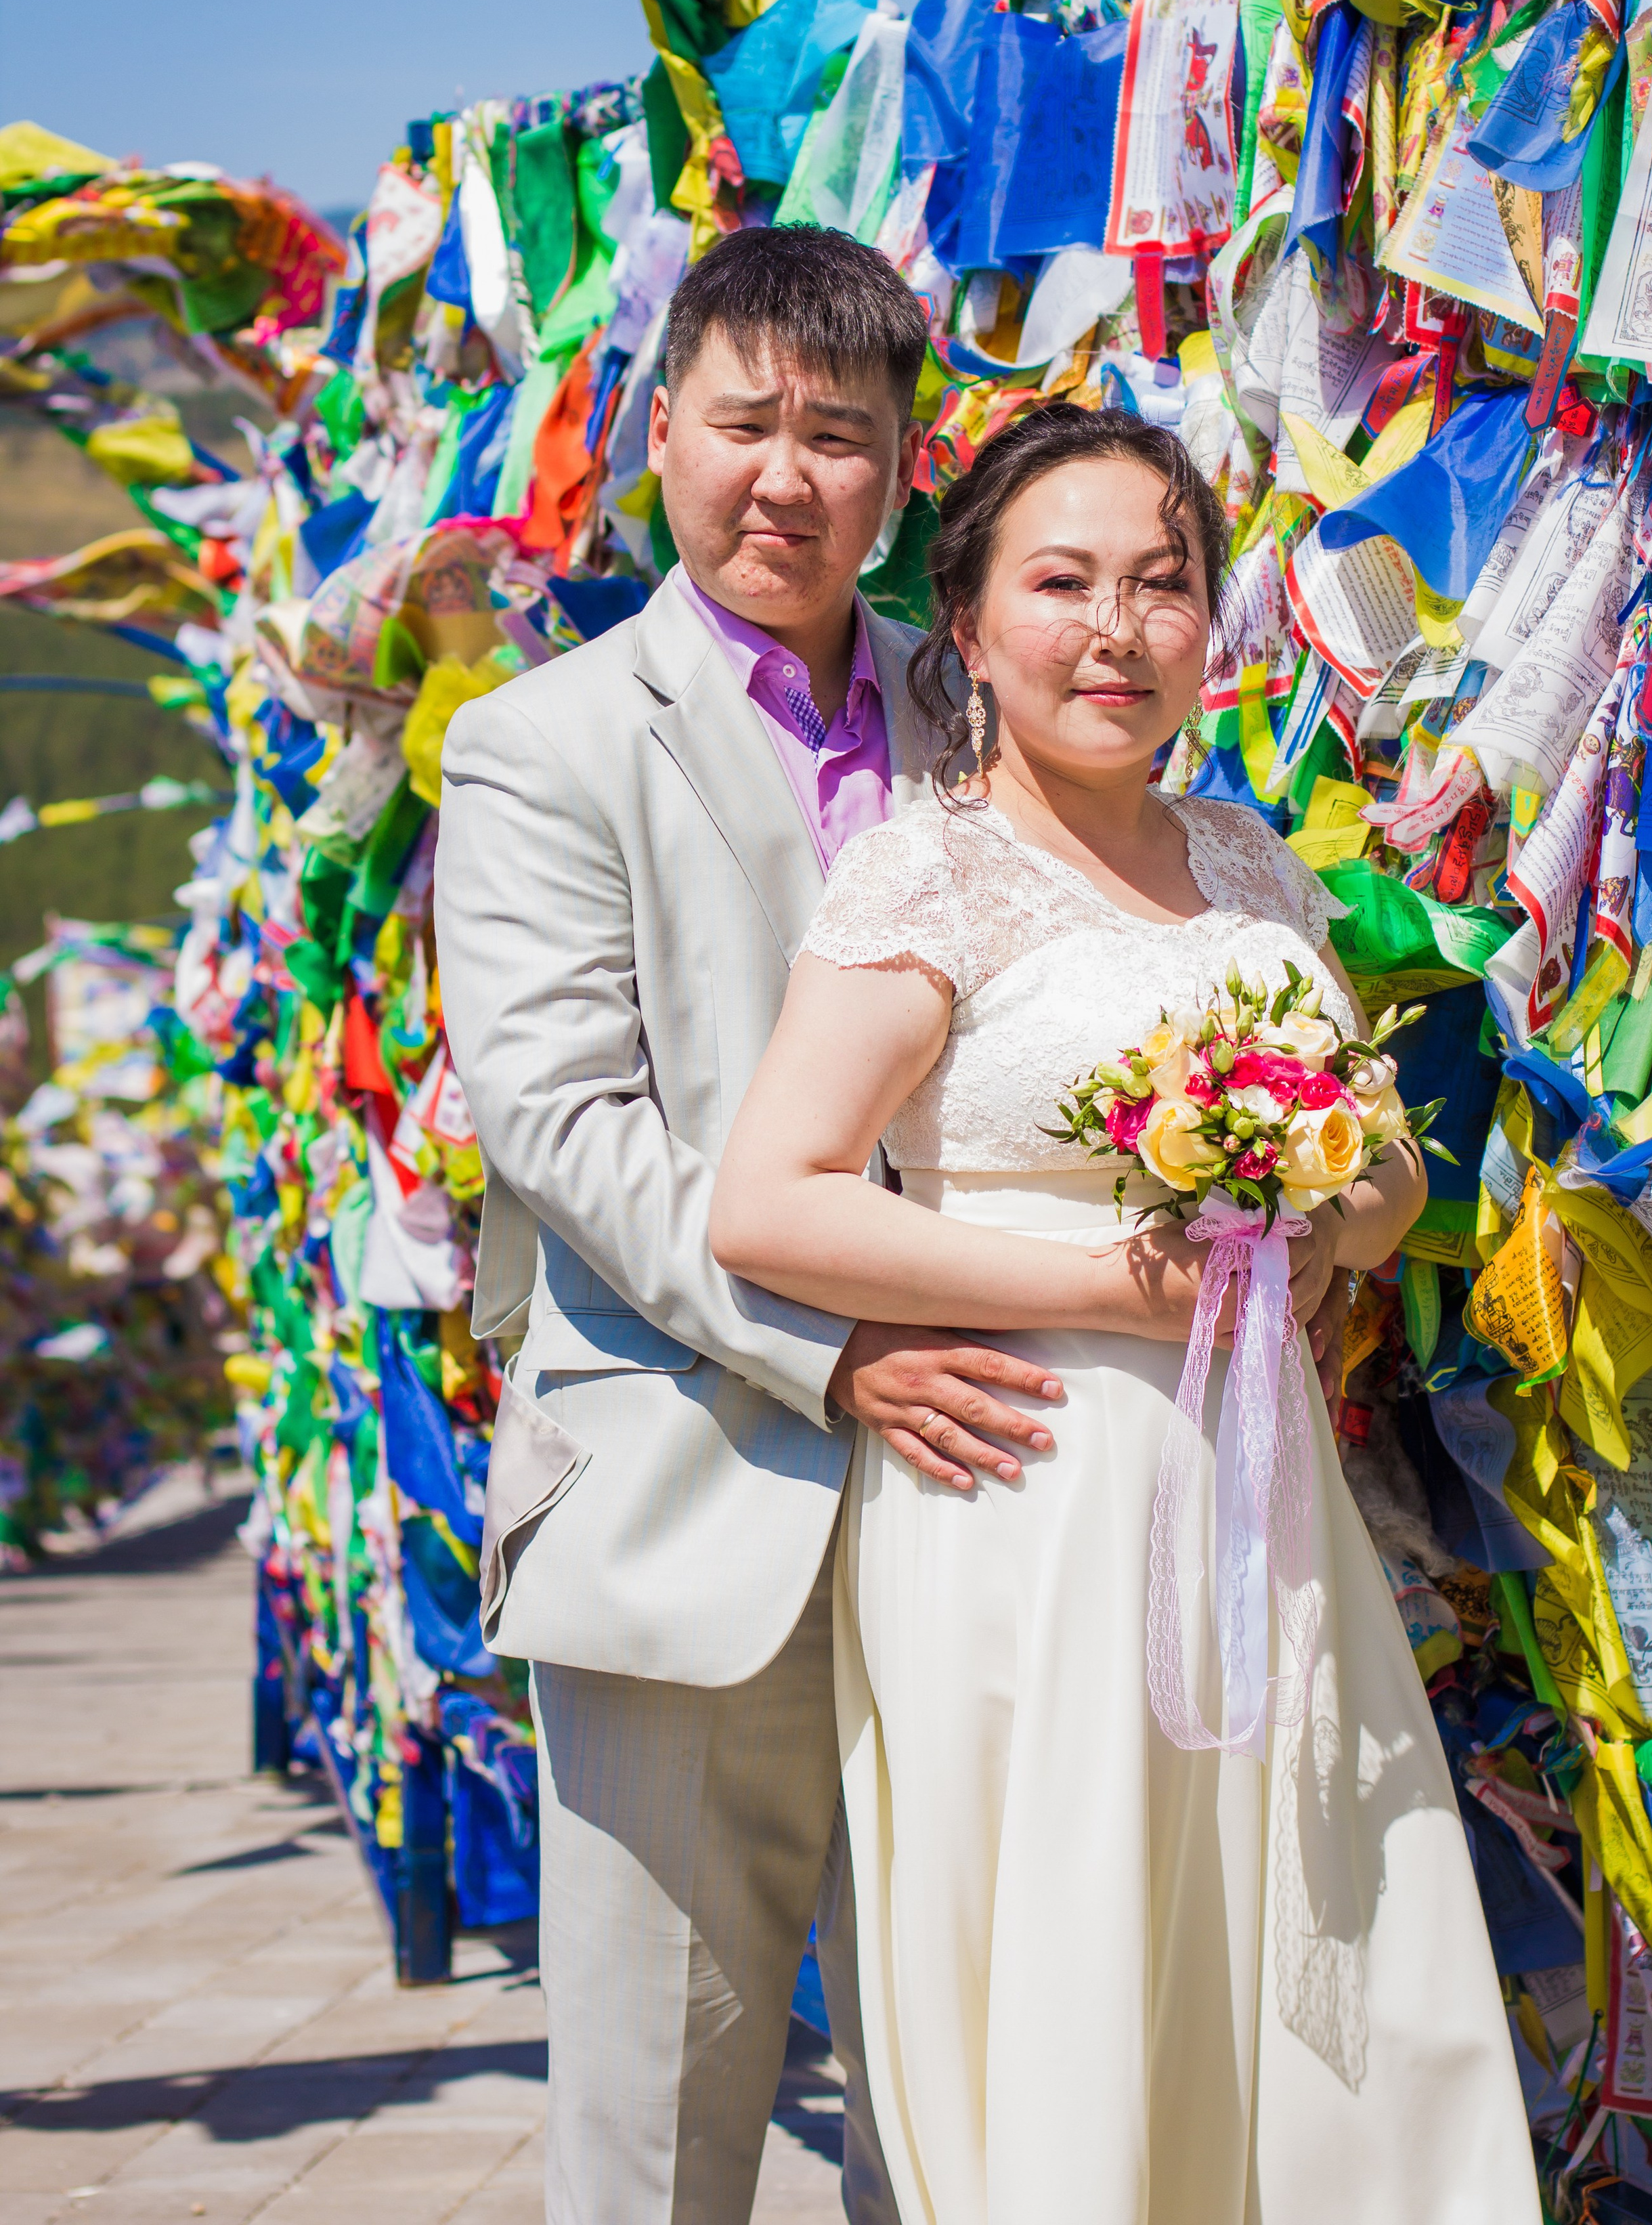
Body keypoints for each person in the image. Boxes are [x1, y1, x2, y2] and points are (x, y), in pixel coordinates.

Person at [711, 402, 1540, 2225]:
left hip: (1258, 1490)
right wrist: (1111, 1285)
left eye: (1166, 586)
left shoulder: (1248, 859)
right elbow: (773, 1198)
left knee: (1334, 1903)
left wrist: (1326, 1217)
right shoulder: (925, 872)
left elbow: (1389, 1166)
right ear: (973, 624)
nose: (1118, 630)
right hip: (1028, 1485)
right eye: (1064, 583)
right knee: (1080, 1915)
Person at [434, 225, 1066, 2225]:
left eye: (843, 437)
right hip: (690, 1490)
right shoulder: (539, 745)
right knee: (664, 2114)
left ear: (903, 474)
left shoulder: (991, 722)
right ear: (660, 434)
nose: (785, 475)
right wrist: (841, 1346)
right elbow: (566, 1126)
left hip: (993, 1499)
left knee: (972, 2086)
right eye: (747, 424)